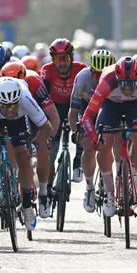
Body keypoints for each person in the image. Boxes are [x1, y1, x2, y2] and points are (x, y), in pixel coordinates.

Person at [0, 77, 52, 231]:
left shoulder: (25, 98)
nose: (10, 110)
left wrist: (35, 144)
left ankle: (26, 205)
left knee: (24, 156)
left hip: (18, 121)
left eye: (14, 106)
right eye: (6, 106)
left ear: (19, 101)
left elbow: (46, 127)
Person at [81, 57, 137, 217]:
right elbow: (87, 116)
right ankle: (109, 194)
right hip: (111, 105)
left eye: (133, 83)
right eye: (124, 83)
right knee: (104, 143)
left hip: (135, 105)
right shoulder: (107, 81)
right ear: (117, 79)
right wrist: (93, 137)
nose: (128, 87)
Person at [0, 61, 60, 218]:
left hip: (34, 112)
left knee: (42, 148)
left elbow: (53, 115)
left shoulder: (34, 82)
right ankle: (11, 179)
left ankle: (44, 193)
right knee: (9, 140)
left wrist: (49, 137)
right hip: (13, 115)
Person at [41, 38, 87, 209]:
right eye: (57, 59)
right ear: (53, 60)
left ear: (71, 58)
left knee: (83, 127)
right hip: (55, 107)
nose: (61, 64)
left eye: (65, 59)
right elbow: (43, 98)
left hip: (76, 105)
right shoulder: (47, 70)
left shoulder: (81, 69)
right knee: (51, 148)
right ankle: (49, 181)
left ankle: (77, 162)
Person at [68, 49, 115, 213]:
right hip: (88, 109)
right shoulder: (82, 78)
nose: (100, 78)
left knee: (111, 143)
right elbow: (73, 111)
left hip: (109, 108)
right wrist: (76, 131)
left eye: (104, 74)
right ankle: (89, 188)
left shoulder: (117, 77)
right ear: (91, 70)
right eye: (96, 74)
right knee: (88, 145)